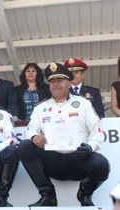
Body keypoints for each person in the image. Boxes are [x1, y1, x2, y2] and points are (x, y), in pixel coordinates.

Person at [18, 63, 109, 207]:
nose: (56, 85)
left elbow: (98, 131)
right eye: (52, 81)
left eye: (59, 81)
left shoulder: (83, 103)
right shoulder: (40, 107)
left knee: (102, 164)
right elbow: (29, 130)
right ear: (49, 86)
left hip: (78, 158)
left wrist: (90, 147)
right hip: (53, 160)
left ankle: (85, 194)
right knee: (25, 146)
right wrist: (35, 137)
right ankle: (48, 196)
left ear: (68, 83)